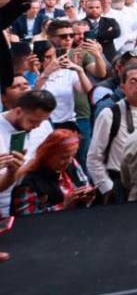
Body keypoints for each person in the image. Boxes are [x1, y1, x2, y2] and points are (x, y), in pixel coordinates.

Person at [84, 61, 137, 203]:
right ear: (123, 87)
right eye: (133, 81)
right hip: (120, 185)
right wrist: (108, 188)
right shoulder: (109, 114)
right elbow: (93, 157)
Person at [0, 90, 56, 218]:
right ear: (18, 111)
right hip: (5, 210)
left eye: (42, 121)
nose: (37, 126)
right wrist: (13, 171)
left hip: (36, 204)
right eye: (33, 121)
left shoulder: (43, 125)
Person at [9, 130, 92, 215]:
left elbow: (84, 184)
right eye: (64, 157)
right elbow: (28, 219)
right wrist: (64, 206)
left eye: (73, 156)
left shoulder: (72, 164)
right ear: (48, 154)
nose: (70, 161)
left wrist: (86, 195)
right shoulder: (29, 182)